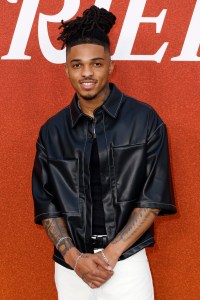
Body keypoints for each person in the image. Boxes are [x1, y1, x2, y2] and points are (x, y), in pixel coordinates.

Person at [32, 5, 176, 300]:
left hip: (127, 262)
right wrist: (75, 259)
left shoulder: (145, 120)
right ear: (67, 69)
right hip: (72, 268)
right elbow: (47, 205)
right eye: (77, 65)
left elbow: (152, 198)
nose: (86, 73)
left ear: (110, 65)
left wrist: (110, 255)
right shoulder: (51, 131)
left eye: (96, 64)